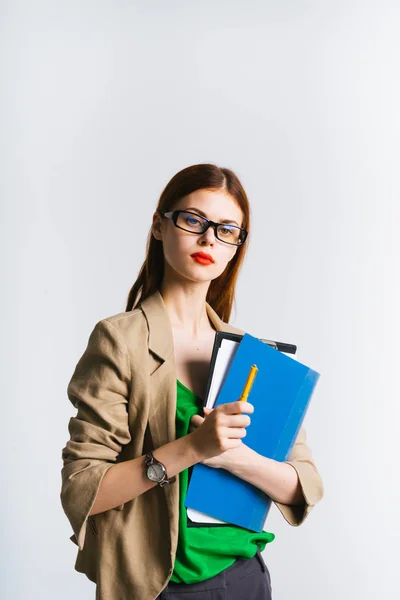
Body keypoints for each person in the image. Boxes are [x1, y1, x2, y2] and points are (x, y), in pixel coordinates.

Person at [60, 163, 324, 600]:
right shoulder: (120, 340)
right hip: (160, 583)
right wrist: (192, 449)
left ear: (236, 246)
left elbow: (304, 484)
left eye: (226, 230)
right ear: (160, 226)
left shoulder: (254, 355)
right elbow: (83, 489)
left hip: (247, 577)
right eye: (193, 220)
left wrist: (236, 459)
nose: (208, 239)